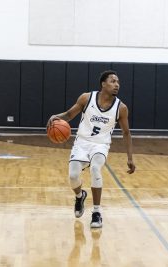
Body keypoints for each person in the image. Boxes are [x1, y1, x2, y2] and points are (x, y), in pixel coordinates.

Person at [47, 70, 136, 228]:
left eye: (118, 82)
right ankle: (80, 196)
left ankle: (96, 212)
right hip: (82, 142)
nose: (117, 85)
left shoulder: (121, 108)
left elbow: (126, 133)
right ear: (103, 83)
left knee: (95, 168)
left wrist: (130, 158)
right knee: (73, 175)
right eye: (113, 81)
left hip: (101, 144)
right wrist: (55, 117)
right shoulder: (86, 98)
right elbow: (69, 115)